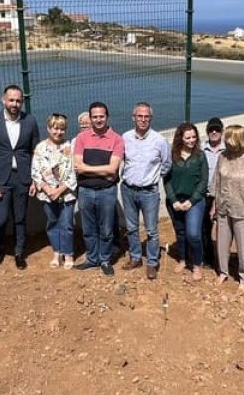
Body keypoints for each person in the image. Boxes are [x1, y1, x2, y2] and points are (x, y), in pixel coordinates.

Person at [0, 85, 40, 269]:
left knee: (20, 218)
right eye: (11, 100)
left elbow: (35, 152)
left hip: (22, 178)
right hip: (1, 178)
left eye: (18, 100)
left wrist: (34, 179)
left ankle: (19, 252)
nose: (15, 104)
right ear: (3, 100)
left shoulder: (30, 121)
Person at [120, 102, 171, 280]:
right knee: (132, 227)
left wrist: (152, 178)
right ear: (133, 118)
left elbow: (166, 164)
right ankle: (135, 257)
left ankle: (151, 262)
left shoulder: (159, 140)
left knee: (151, 230)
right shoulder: (125, 137)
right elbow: (122, 158)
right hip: (128, 189)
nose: (143, 120)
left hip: (149, 192)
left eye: (146, 116)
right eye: (139, 116)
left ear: (151, 118)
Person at [209, 125, 244, 292]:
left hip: (243, 210)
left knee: (243, 247)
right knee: (222, 244)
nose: (227, 143)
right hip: (223, 207)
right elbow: (216, 181)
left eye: (230, 139)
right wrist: (214, 205)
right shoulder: (223, 157)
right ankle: (223, 272)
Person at [73, 101, 124, 276]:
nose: (98, 120)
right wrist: (103, 171)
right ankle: (92, 258)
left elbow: (113, 169)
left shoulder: (117, 139)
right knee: (88, 228)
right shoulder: (81, 138)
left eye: (101, 116)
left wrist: (88, 169)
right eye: (94, 117)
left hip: (107, 192)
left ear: (107, 117)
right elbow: (78, 165)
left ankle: (105, 260)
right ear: (90, 118)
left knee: (107, 229)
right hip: (85, 191)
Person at [32, 113, 77, 269]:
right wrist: (47, 188)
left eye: (62, 129)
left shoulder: (70, 147)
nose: (58, 132)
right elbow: (35, 171)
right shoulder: (40, 148)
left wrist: (60, 190)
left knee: (67, 224)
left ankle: (68, 253)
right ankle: (56, 251)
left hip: (66, 194)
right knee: (52, 223)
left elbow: (73, 172)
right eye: (55, 129)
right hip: (47, 194)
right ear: (48, 128)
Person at [164, 122, 208, 282]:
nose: (191, 140)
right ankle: (183, 260)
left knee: (193, 234)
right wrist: (174, 200)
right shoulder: (171, 156)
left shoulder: (200, 156)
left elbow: (204, 181)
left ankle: (197, 264)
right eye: (187, 137)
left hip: (194, 201)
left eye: (194, 137)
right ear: (180, 138)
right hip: (175, 201)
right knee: (180, 232)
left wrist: (192, 200)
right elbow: (166, 180)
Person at [202, 117, 226, 267]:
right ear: (207, 131)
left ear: (222, 132)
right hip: (204, 195)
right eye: (211, 129)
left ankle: (222, 260)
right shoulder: (200, 149)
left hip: (222, 195)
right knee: (204, 228)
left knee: (223, 230)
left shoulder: (228, 150)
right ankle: (208, 257)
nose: (214, 132)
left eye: (217, 129)